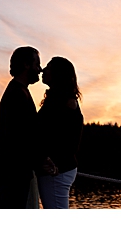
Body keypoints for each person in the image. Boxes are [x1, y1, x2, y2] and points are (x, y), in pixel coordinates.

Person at [0, 46, 42, 208]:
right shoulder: (17, 95)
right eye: (37, 64)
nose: (40, 70)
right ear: (26, 65)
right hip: (14, 174)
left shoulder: (19, 91)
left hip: (14, 172)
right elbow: (20, 138)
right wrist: (41, 160)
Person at [36, 56, 84, 209]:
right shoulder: (58, 100)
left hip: (56, 171)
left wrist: (50, 161)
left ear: (58, 74)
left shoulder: (65, 103)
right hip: (58, 169)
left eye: (49, 68)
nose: (44, 70)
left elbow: (67, 141)